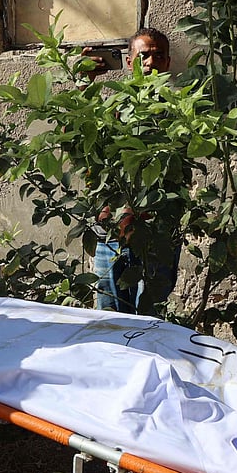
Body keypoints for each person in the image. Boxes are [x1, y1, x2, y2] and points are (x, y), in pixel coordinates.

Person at [89, 28, 176, 314]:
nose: (150, 62)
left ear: (168, 62)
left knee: (153, 318)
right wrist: (82, 84)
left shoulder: (178, 112)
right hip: (113, 232)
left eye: (158, 55)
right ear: (129, 63)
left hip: (158, 234)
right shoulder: (114, 107)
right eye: (143, 55)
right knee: (112, 319)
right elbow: (84, 143)